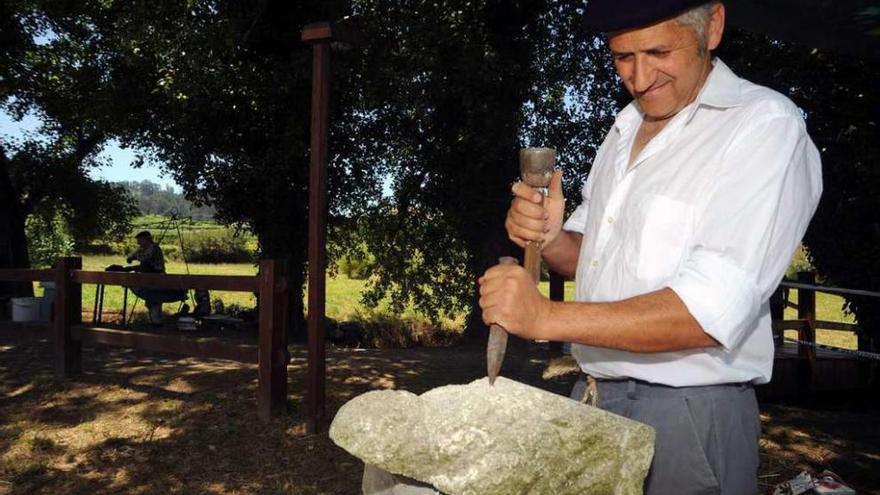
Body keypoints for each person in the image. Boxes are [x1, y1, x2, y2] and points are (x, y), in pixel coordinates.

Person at [479, 1, 822, 493]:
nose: (639, 79)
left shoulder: (763, 127)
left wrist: (543, 317)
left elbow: (708, 313)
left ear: (714, 26)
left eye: (659, 51)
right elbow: (589, 259)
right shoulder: (623, 129)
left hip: (688, 418)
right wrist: (551, 237)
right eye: (622, 57)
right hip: (595, 398)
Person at [124, 231, 184, 324]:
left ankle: (157, 322)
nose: (138, 243)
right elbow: (133, 257)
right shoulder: (143, 249)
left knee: (155, 299)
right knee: (150, 301)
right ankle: (154, 321)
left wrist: (132, 262)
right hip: (148, 278)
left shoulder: (154, 249)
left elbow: (145, 260)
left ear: (146, 239)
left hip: (157, 277)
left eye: (140, 240)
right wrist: (131, 257)